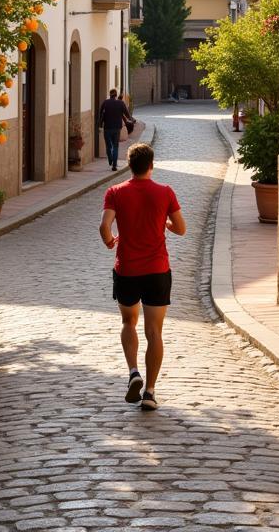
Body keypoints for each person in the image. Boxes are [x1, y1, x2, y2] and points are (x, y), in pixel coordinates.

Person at [99, 142, 186, 411]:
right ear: (152, 165)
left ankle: (133, 371)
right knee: (154, 331)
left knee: (128, 322)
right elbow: (181, 228)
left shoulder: (115, 192)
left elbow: (104, 226)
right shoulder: (165, 192)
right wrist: (164, 222)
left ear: (129, 165)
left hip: (126, 269)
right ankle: (149, 391)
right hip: (157, 270)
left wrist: (110, 241)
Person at [97, 88, 131, 171]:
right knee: (115, 146)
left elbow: (100, 113)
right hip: (117, 128)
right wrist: (130, 119)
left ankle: (110, 159)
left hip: (107, 128)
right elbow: (127, 114)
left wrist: (100, 124)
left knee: (108, 146)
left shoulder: (105, 103)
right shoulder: (120, 103)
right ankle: (114, 165)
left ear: (110, 94)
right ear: (116, 95)